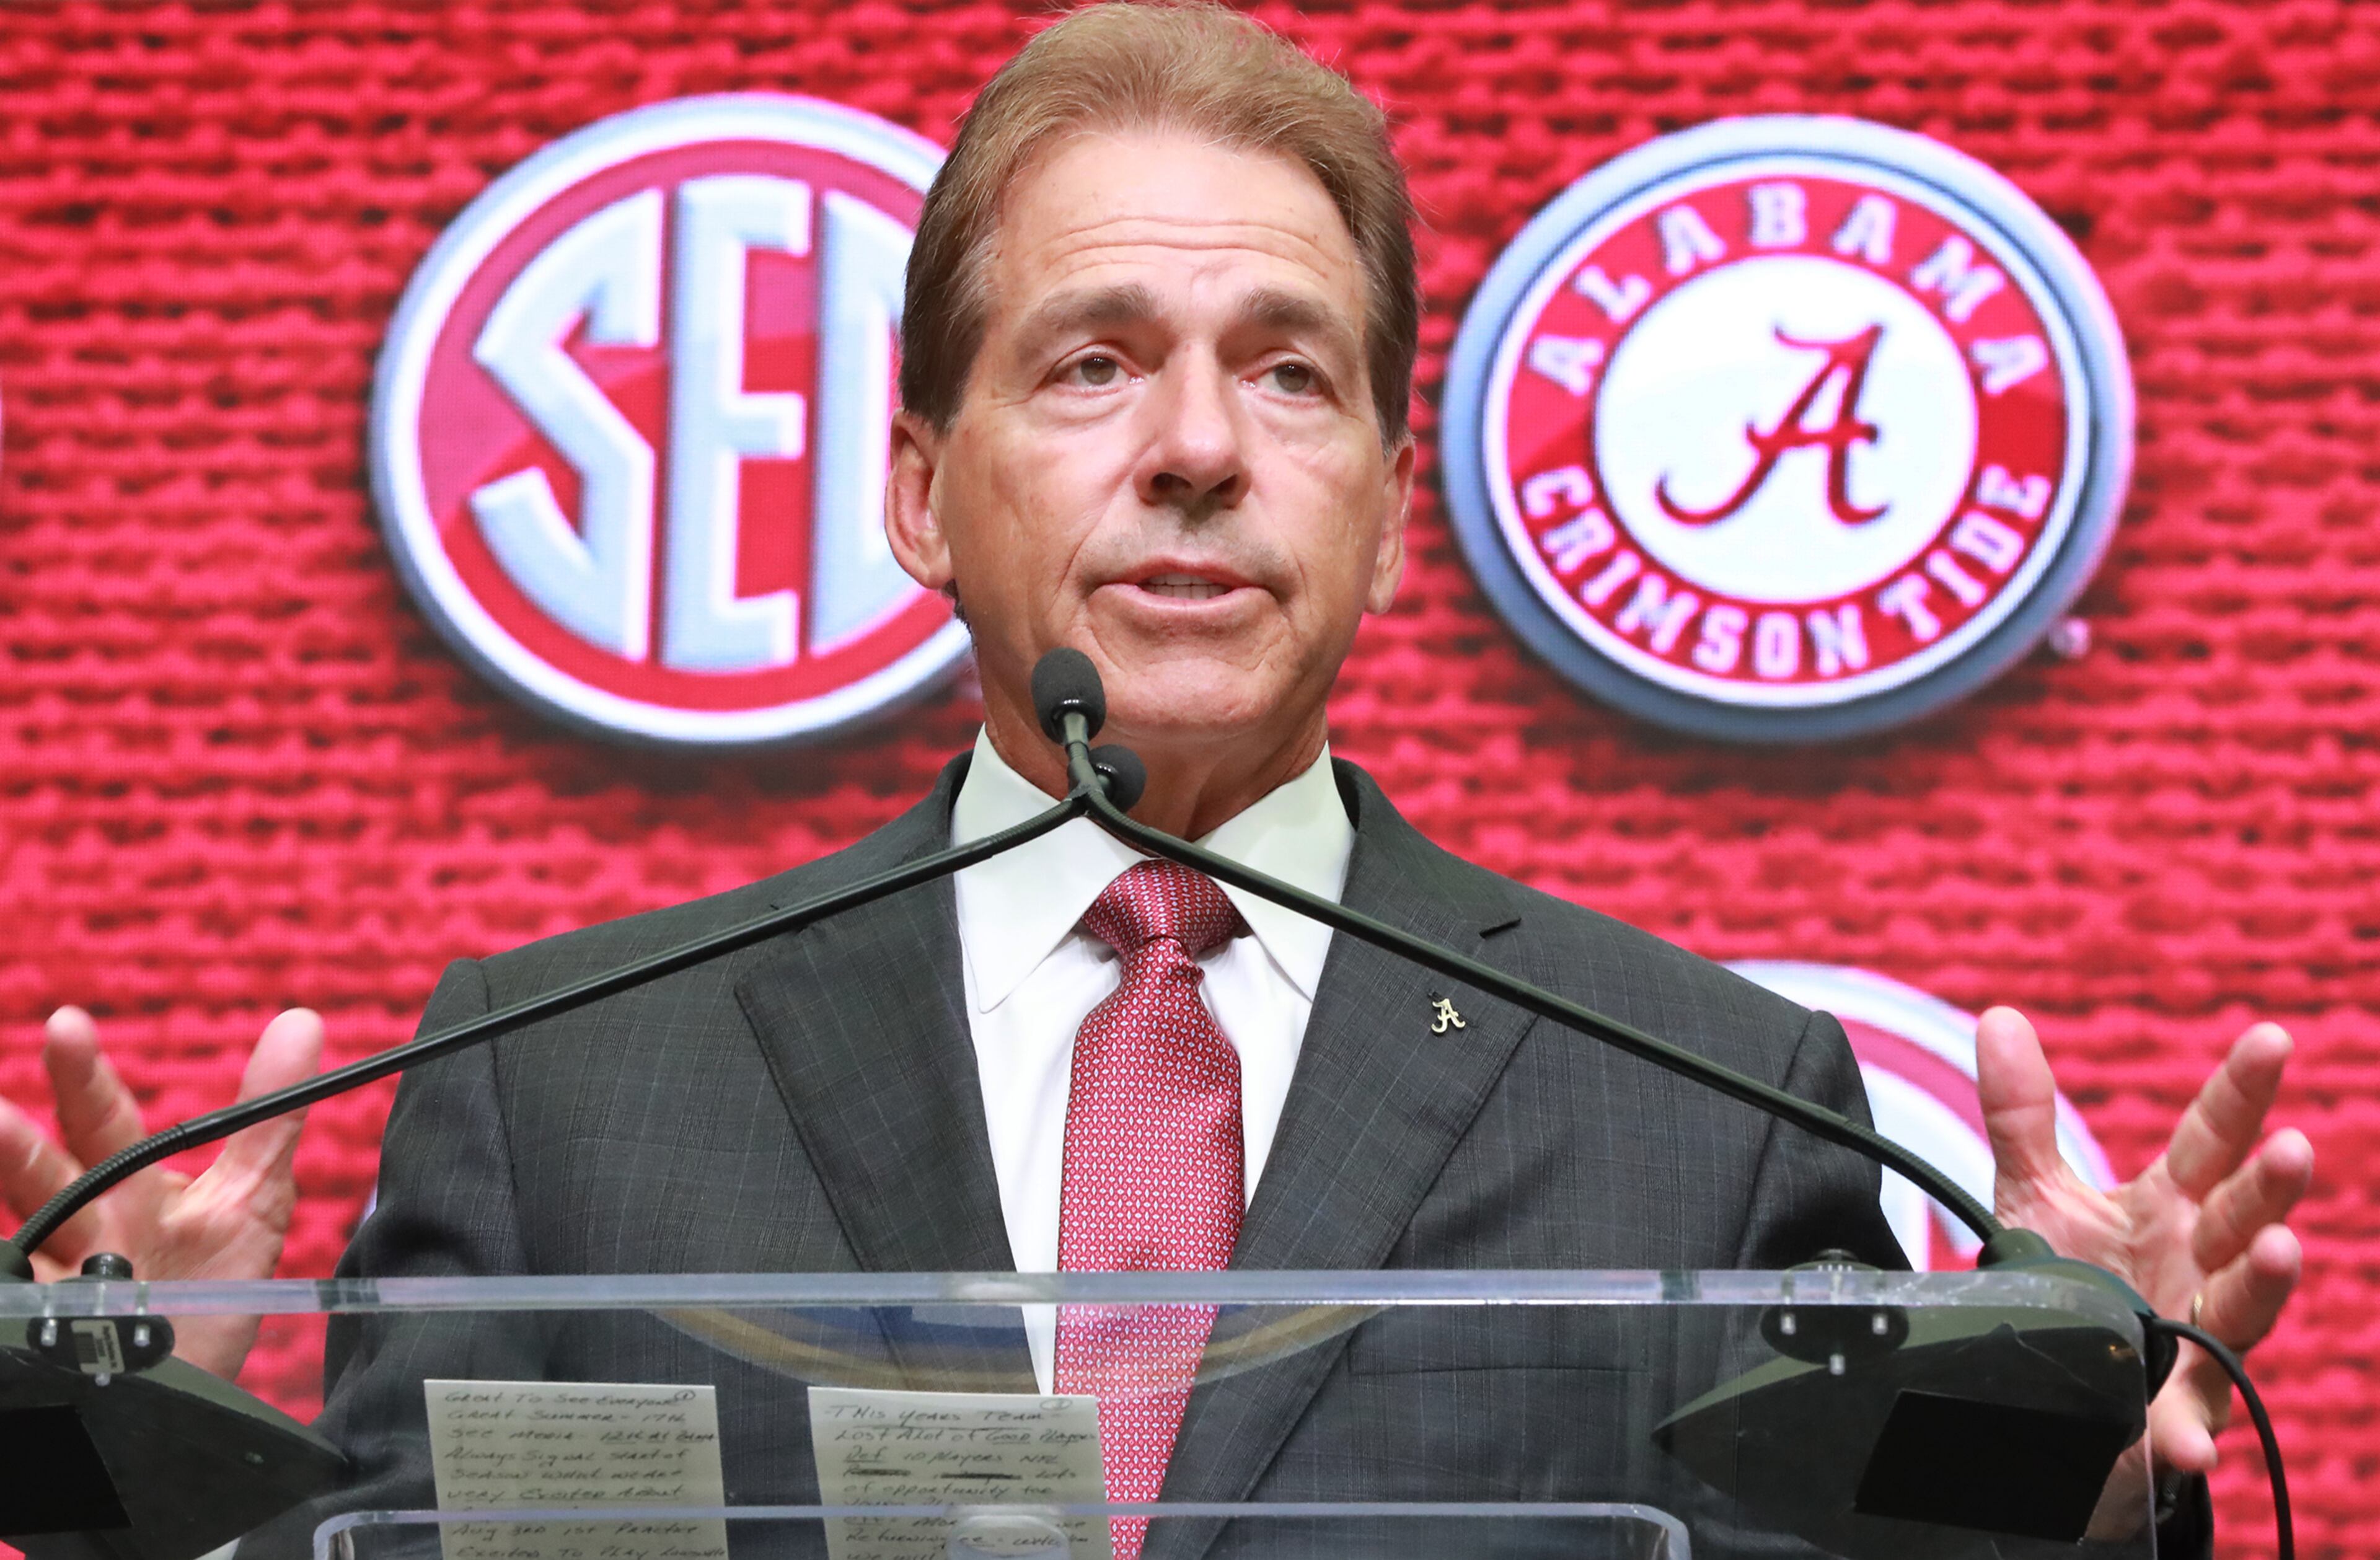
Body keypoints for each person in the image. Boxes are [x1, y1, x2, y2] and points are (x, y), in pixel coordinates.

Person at [0, 3, 2310, 1554]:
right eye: (1094, 364)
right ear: (919, 491)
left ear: (1397, 508)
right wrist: (157, 1478)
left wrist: (2082, 1496)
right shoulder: (562, 1075)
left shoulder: (1711, 1102)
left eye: (1289, 377)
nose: (1200, 450)